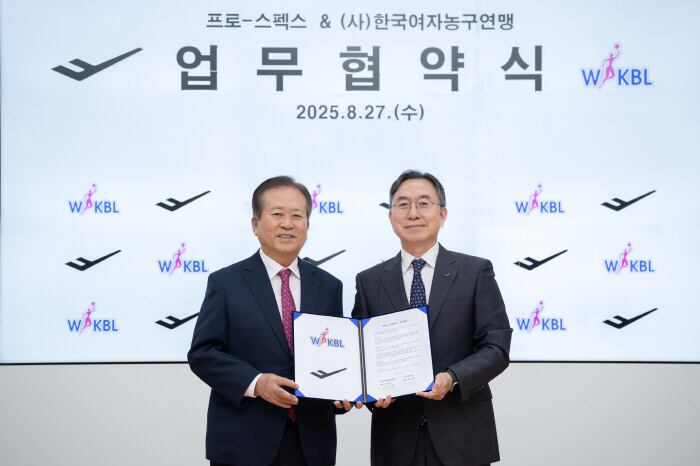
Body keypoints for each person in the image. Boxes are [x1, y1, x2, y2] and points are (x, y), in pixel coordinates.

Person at [352, 170, 512, 466]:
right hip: (396, 439)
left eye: (423, 203)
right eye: (403, 204)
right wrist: (371, 393)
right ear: (390, 216)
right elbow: (362, 356)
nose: (413, 213)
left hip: (462, 435)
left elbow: (496, 347)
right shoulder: (369, 281)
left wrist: (453, 378)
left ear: (442, 214)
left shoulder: (475, 272)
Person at [188, 176, 346, 466]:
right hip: (243, 443)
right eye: (277, 214)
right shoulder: (226, 283)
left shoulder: (329, 286)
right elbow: (203, 353)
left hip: (311, 444)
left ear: (307, 225)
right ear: (255, 224)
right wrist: (256, 382)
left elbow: (335, 356)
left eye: (297, 215)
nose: (287, 224)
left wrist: (343, 393)